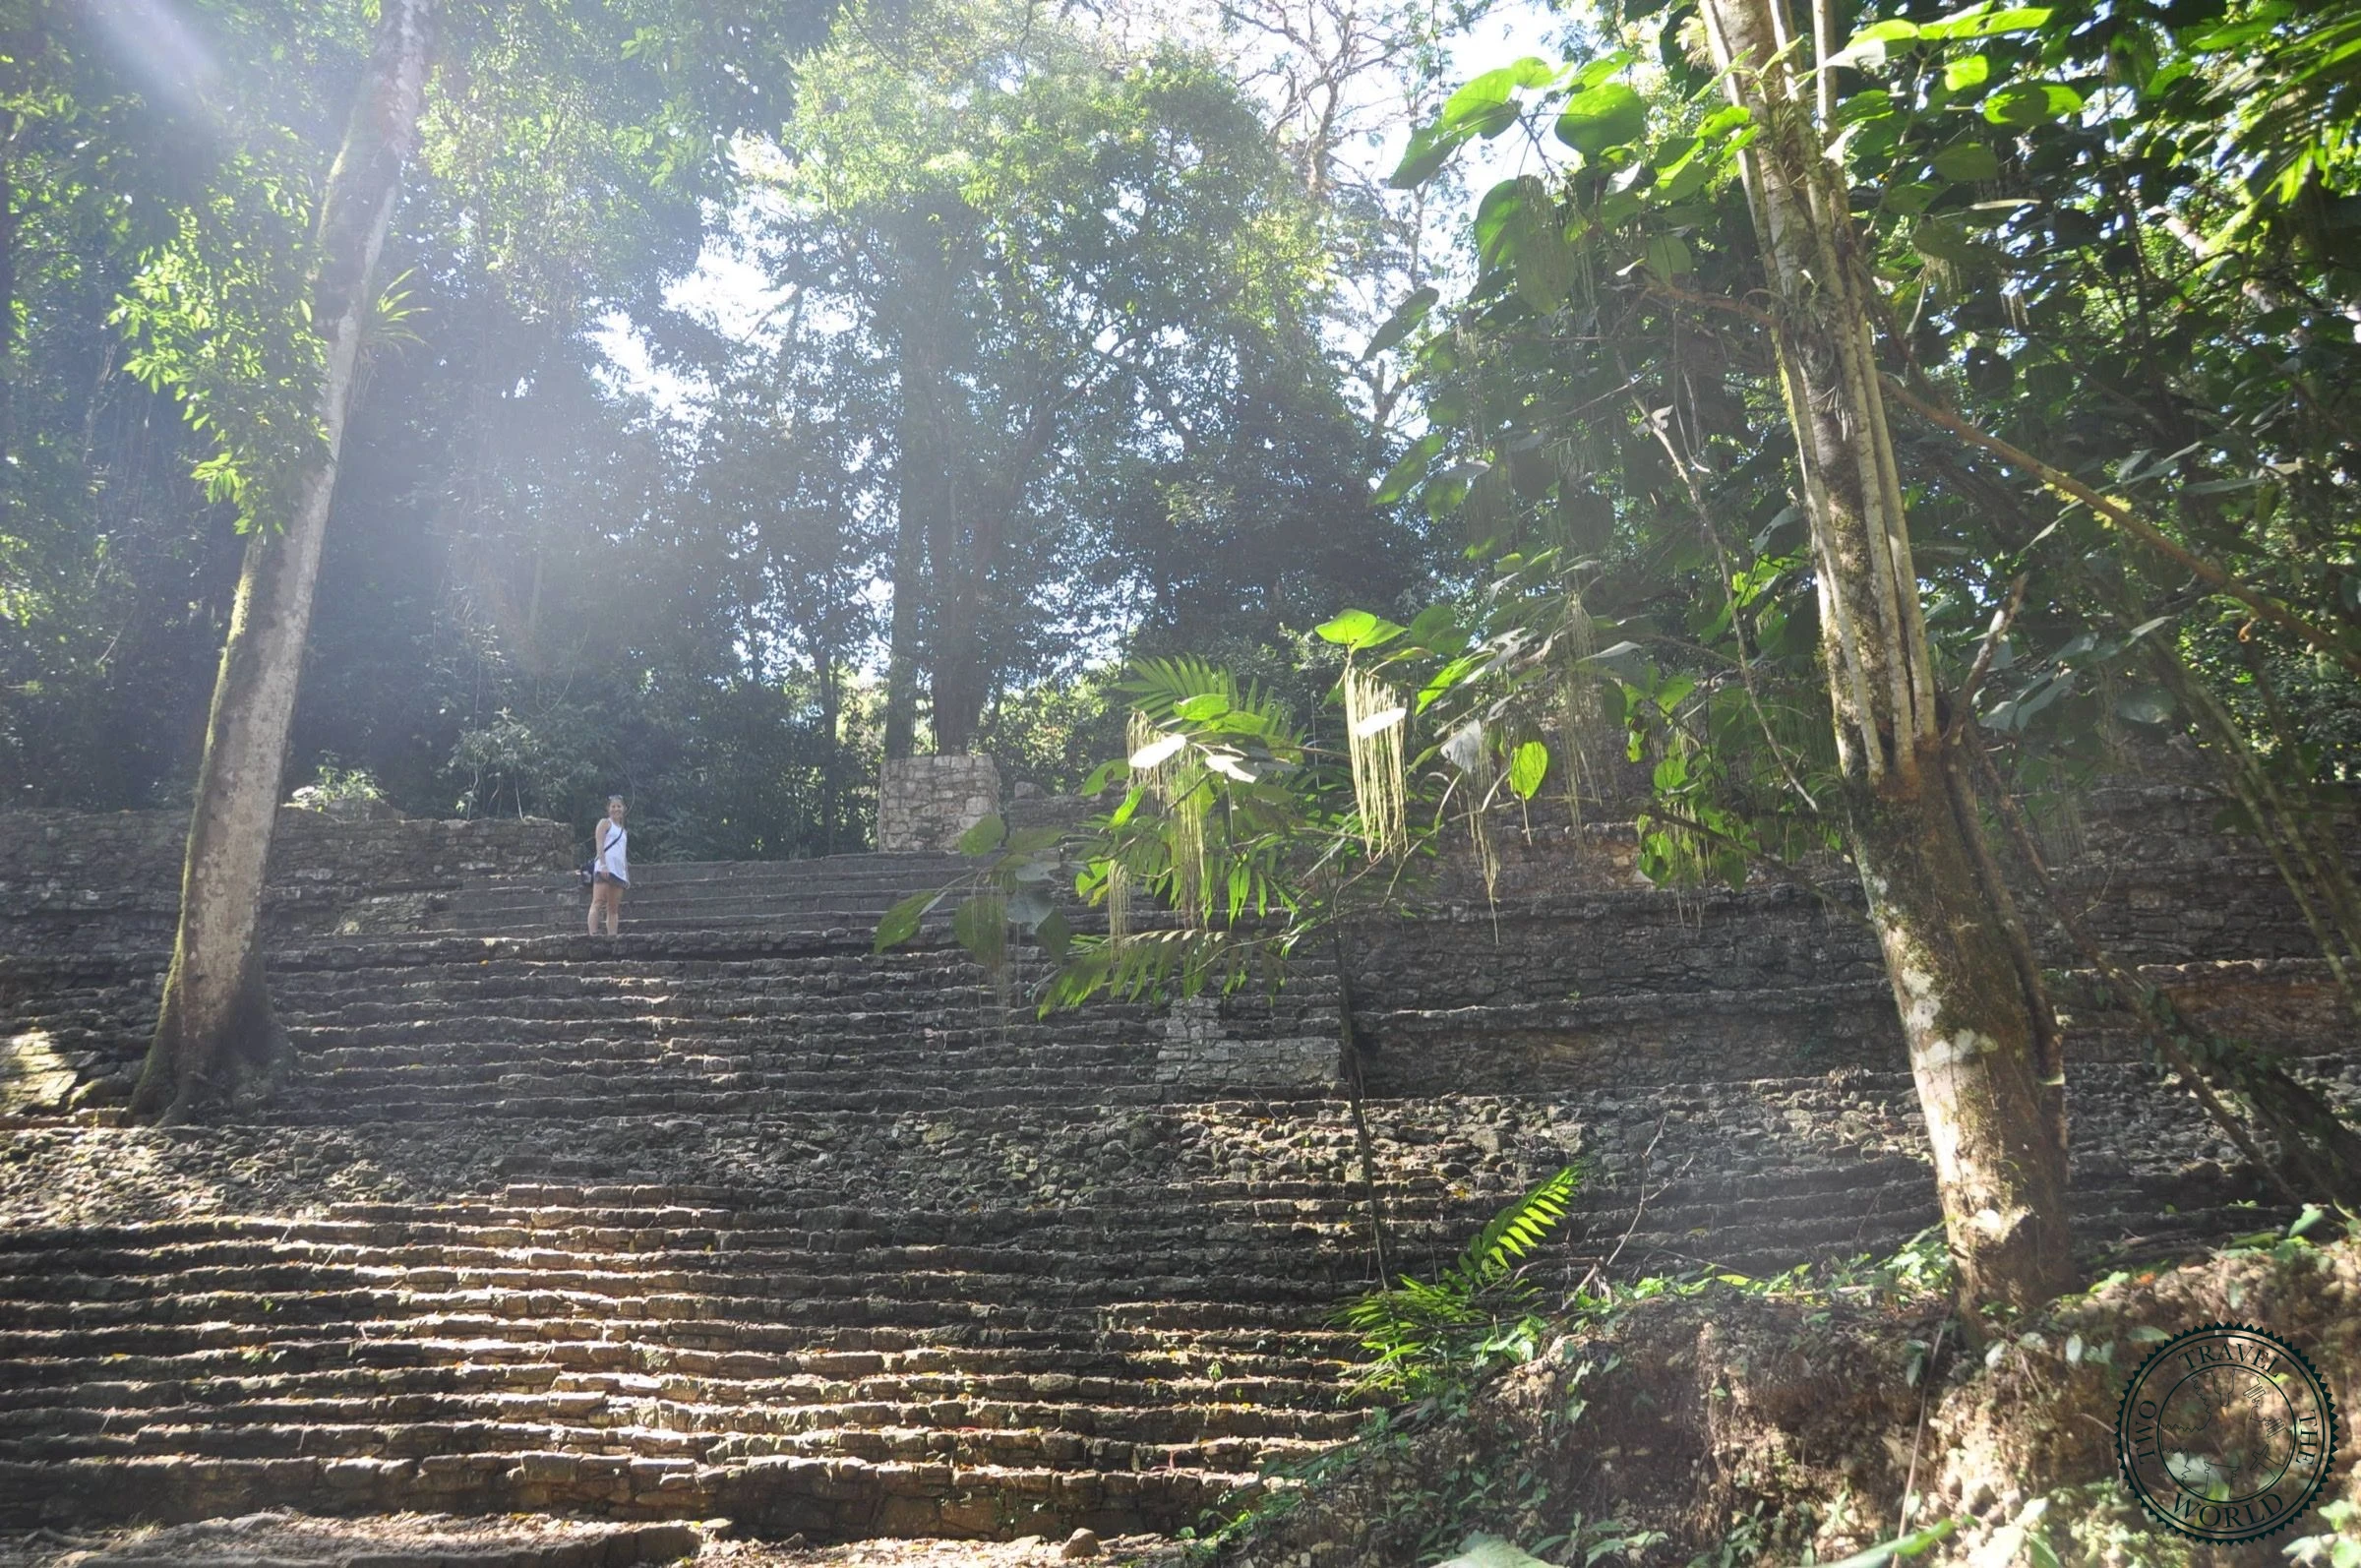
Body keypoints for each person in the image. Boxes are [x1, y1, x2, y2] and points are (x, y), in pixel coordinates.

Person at [588, 796, 629, 936]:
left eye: (619, 806)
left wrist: (626, 875)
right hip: (604, 868)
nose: (616, 809)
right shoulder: (605, 823)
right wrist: (603, 865)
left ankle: (612, 936)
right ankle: (593, 933)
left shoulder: (623, 831)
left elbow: (622, 854)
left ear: (623, 809)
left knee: (613, 908)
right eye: (613, 806)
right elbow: (599, 844)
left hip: (618, 872)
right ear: (608, 809)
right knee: (598, 902)